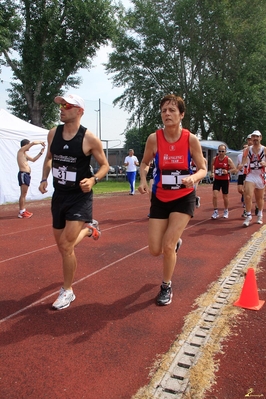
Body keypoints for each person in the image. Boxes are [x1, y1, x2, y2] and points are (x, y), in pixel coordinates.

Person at [39, 93, 109, 310]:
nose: (62, 108)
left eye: (67, 105)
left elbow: (104, 165)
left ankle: (67, 291)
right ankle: (89, 230)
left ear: (79, 111)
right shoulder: (53, 133)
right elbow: (49, 158)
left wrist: (93, 180)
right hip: (59, 195)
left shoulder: (89, 139)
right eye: (61, 105)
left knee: (66, 245)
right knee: (62, 246)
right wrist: (43, 178)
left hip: (80, 196)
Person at [138, 94, 207, 306]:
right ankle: (175, 242)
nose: (167, 114)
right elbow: (145, 163)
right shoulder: (154, 139)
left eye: (172, 110)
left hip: (183, 198)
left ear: (181, 114)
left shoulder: (190, 139)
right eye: (163, 111)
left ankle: (166, 286)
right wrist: (143, 179)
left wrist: (193, 178)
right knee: (154, 250)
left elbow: (204, 168)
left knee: (167, 246)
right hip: (160, 197)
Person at [241, 130, 266, 227]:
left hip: (260, 175)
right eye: (253, 137)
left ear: (260, 138)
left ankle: (259, 214)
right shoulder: (247, 150)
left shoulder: (264, 149)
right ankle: (248, 216)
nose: (255, 138)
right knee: (247, 195)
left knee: (259, 198)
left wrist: (265, 163)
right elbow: (243, 161)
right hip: (251, 175)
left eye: (257, 137)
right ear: (251, 138)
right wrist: (240, 166)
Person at [17, 139, 45, 218]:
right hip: (23, 174)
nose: (29, 147)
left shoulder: (24, 154)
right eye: (28, 145)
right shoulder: (21, 151)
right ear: (25, 145)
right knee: (23, 194)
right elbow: (33, 143)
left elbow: (33, 160)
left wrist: (41, 153)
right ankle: (21, 212)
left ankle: (23, 210)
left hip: (26, 175)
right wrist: (40, 142)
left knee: (24, 194)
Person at [211, 144, 236, 219]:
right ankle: (215, 211)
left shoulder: (228, 159)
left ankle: (226, 210)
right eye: (219, 151)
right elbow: (212, 165)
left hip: (225, 180)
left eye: (222, 151)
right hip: (217, 179)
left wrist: (227, 171)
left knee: (225, 196)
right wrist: (212, 172)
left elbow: (234, 169)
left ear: (225, 151)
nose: (221, 153)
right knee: (215, 195)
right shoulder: (215, 158)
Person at [236, 144, 248, 217]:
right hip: (240, 174)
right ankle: (244, 195)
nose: (245, 149)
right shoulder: (239, 156)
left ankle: (246, 205)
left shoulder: (250, 155)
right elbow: (238, 164)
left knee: (246, 190)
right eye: (243, 148)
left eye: (246, 148)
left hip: (247, 174)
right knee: (240, 190)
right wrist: (238, 168)